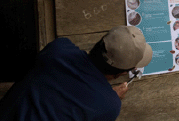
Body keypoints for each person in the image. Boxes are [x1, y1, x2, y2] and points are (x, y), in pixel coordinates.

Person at [0, 25, 153, 120]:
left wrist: (106, 94)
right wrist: (110, 96)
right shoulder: (109, 105)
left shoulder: (59, 49)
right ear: (120, 74)